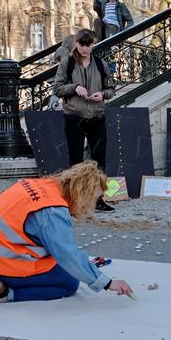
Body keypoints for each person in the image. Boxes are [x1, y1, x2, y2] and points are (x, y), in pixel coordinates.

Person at [0, 161, 134, 303]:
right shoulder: (53, 211)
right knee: (69, 283)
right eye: (93, 200)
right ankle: (6, 293)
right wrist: (108, 283)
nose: (91, 207)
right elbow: (67, 255)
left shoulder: (38, 184)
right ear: (84, 195)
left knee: (57, 266)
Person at [52, 29, 116, 212]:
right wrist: (74, 87)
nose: (85, 49)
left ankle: (98, 200)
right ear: (76, 44)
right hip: (74, 117)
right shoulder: (67, 63)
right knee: (76, 162)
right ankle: (74, 201)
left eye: (89, 45)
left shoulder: (100, 64)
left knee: (99, 160)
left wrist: (103, 94)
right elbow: (57, 88)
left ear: (93, 45)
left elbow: (111, 88)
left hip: (96, 116)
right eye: (82, 45)